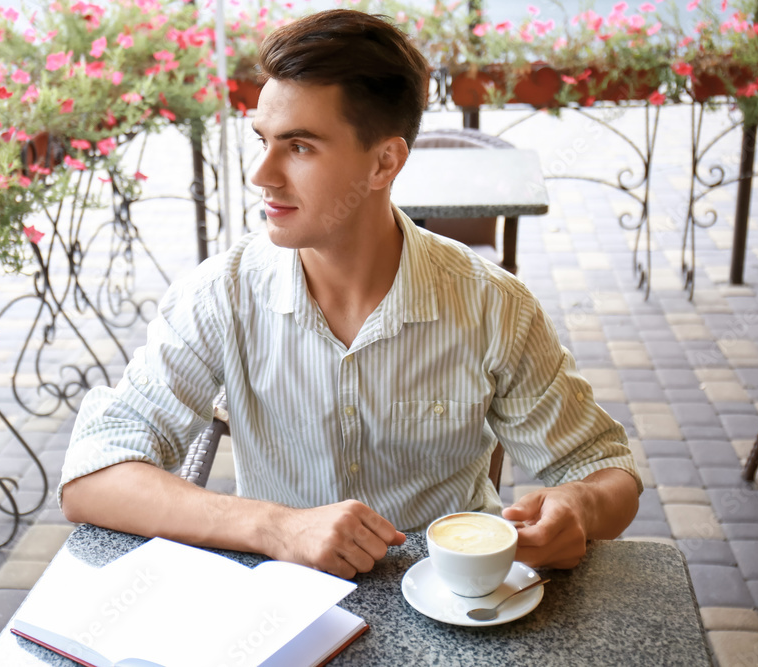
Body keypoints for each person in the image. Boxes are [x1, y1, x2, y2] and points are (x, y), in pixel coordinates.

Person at [60, 9, 641, 579]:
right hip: (282, 609)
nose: (262, 173)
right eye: (262, 138)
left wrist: (580, 508)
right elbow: (92, 476)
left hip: (457, 605)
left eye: (301, 146)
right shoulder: (220, 296)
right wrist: (276, 526)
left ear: (384, 161)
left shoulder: (494, 307)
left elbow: (604, 470)